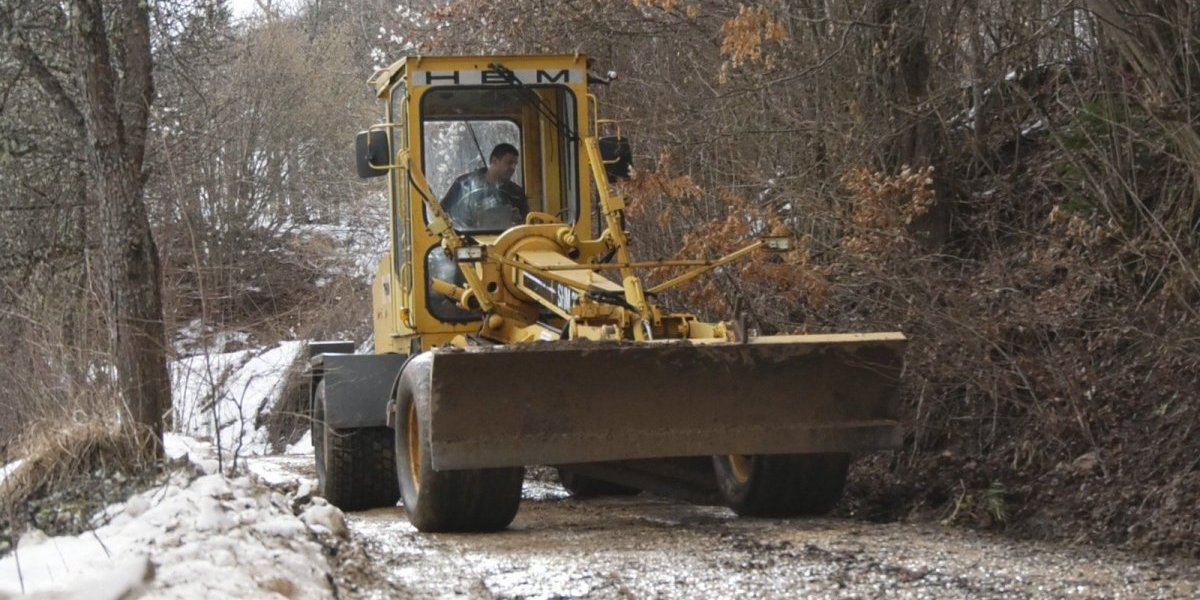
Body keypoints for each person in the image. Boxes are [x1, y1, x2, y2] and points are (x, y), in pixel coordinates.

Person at [440, 143, 529, 229]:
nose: (513, 168)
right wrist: (469, 219)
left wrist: (519, 220)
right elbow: (442, 214)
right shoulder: (464, 185)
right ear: (494, 161)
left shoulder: (516, 193)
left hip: (506, 238)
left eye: (515, 164)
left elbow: (527, 223)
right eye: (509, 163)